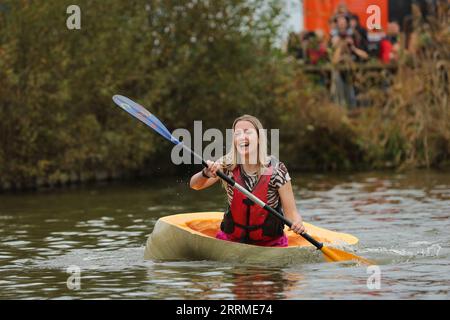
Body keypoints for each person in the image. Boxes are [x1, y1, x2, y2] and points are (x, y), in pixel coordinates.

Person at [190, 115, 306, 247]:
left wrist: (297, 223)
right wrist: (205, 173)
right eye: (237, 133)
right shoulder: (226, 164)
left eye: (247, 132)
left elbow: (291, 214)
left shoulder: (276, 170)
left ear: (258, 138)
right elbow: (195, 186)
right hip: (231, 241)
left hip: (269, 244)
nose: (241, 137)